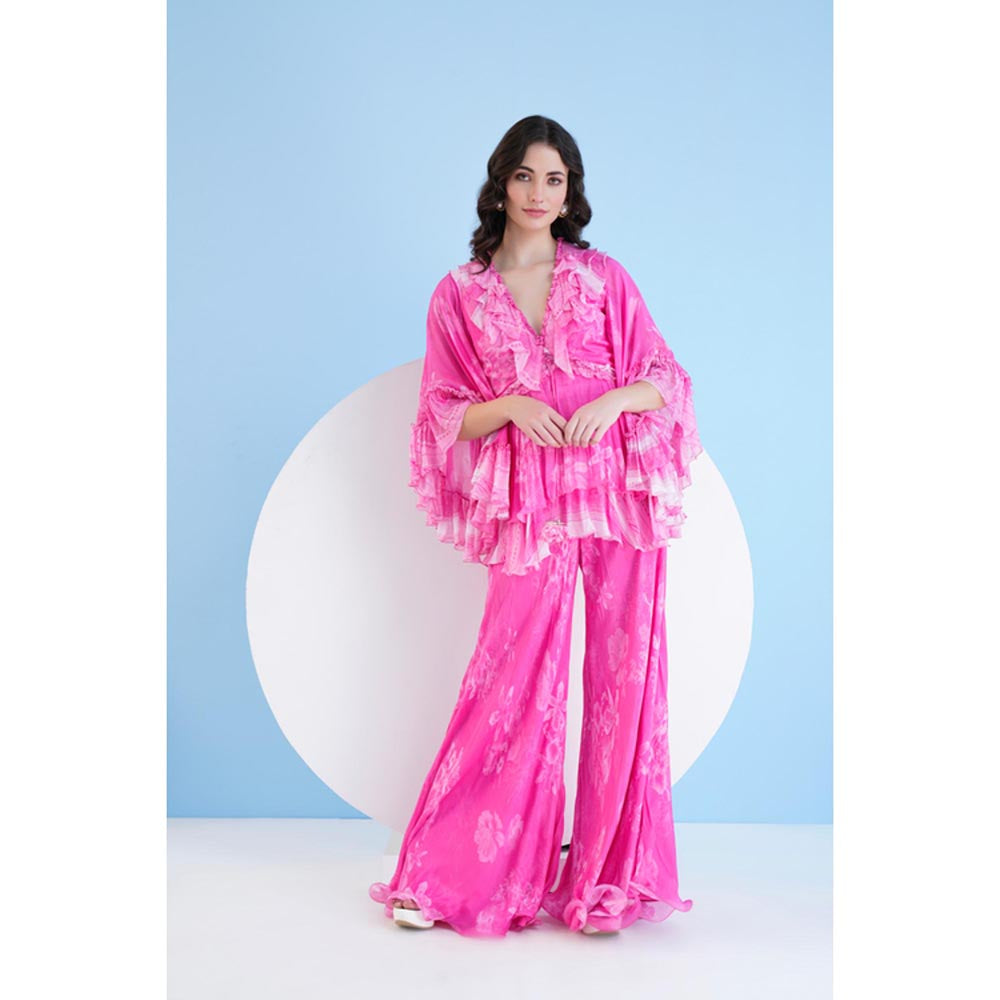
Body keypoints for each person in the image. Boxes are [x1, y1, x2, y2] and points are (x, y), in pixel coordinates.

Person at [369, 115, 703, 937]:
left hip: (617, 492)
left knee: (627, 682)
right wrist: (513, 407)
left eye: (554, 179)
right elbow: (443, 414)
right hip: (530, 503)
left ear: (570, 192)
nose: (538, 193)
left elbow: (666, 378)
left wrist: (613, 399)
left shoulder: (604, 278)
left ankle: (607, 886)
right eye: (525, 176)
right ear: (500, 184)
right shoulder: (460, 293)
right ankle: (446, 877)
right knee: (510, 677)